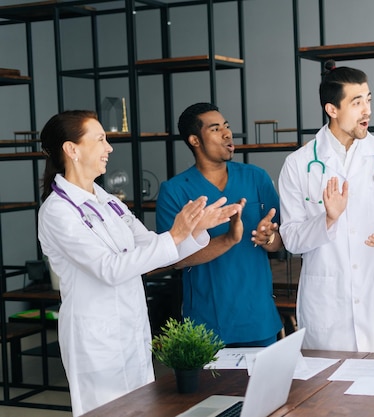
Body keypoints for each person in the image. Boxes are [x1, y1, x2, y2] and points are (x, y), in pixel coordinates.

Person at [37, 110, 239, 416]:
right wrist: (176, 234)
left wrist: (196, 229)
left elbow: (150, 248)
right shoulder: (57, 211)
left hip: (131, 329)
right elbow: (110, 269)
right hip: (96, 339)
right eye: (101, 139)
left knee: (142, 409)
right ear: (72, 149)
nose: (109, 147)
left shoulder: (109, 202)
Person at [278, 60, 374, 354]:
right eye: (357, 103)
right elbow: (291, 238)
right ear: (332, 109)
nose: (367, 110)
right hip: (327, 308)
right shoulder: (298, 164)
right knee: (329, 396)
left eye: (368, 100)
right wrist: (328, 220)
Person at [156, 102, 283, 348]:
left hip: (259, 319)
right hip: (206, 325)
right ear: (194, 140)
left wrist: (268, 238)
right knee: (212, 389)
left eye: (227, 126)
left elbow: (279, 243)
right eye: (215, 129)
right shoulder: (175, 191)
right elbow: (173, 259)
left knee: (266, 387)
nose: (227, 133)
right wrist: (228, 239)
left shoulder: (256, 177)